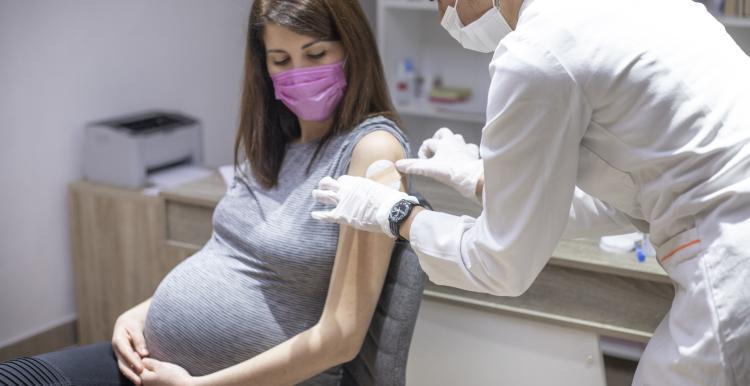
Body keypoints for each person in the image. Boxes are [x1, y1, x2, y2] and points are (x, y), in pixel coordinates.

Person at [310, 0, 750, 384]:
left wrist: (396, 213)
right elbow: (636, 188)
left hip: (730, 259)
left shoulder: (536, 53)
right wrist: (487, 183)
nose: (444, 15)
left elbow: (500, 266)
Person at [0, 1, 410, 385]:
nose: (298, 72)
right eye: (281, 60)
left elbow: (342, 336)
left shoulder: (371, 150)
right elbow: (226, 254)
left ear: (352, 49)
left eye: (316, 54)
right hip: (152, 363)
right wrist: (140, 313)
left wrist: (202, 385)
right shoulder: (275, 144)